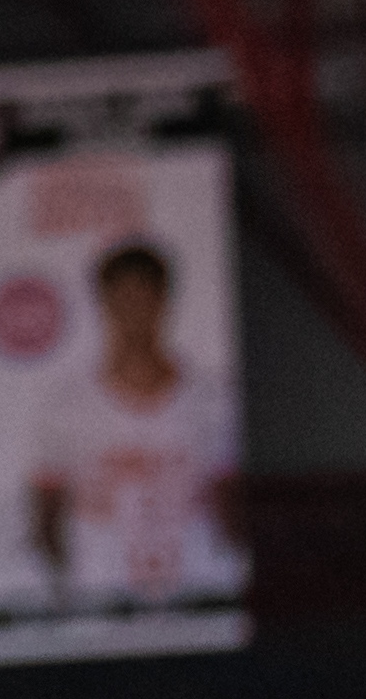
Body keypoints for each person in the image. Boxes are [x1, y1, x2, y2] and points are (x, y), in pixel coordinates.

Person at [31, 241, 240, 605]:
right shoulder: (67, 404)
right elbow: (46, 517)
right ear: (104, 305)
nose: (133, 312)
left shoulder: (212, 399)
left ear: (163, 300)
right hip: (101, 611)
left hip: (194, 604)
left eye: (143, 297)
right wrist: (78, 589)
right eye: (121, 299)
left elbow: (232, 509)